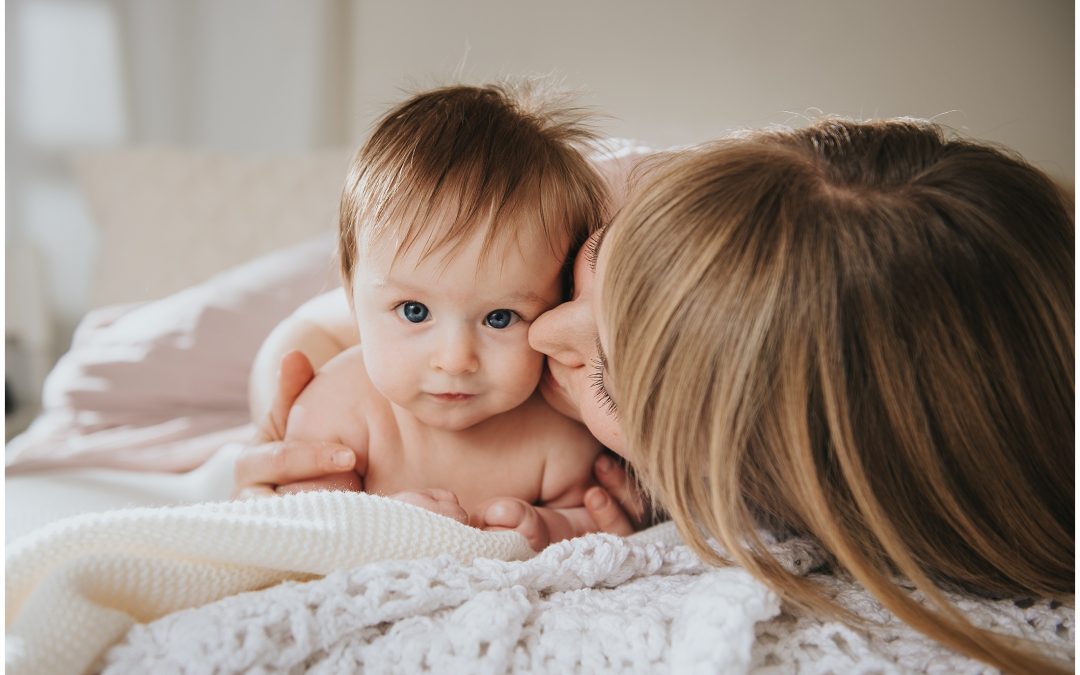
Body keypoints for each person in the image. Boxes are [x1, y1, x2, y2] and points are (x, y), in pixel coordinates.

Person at [237, 117, 1072, 672]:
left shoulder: (769, 456)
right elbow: (390, 280)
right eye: (583, 271)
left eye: (606, 374)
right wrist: (294, 372)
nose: (542, 330)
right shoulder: (632, 200)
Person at [256, 81, 617, 551]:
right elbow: (306, 520)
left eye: (501, 318)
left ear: (559, 300)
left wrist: (554, 527)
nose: (454, 359)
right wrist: (384, 525)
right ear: (351, 296)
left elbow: (595, 515)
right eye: (414, 311)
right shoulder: (336, 409)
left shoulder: (556, 433)